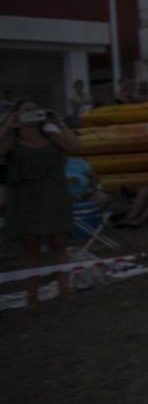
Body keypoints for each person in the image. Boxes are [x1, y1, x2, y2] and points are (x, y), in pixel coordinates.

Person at [1, 100, 81, 305]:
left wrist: (59, 123)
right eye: (26, 111)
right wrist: (8, 126)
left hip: (54, 194)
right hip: (25, 197)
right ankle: (32, 296)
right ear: (17, 114)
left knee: (59, 244)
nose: (32, 113)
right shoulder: (12, 140)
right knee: (30, 247)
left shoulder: (52, 135)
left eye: (35, 110)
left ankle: (65, 291)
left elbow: (73, 145)